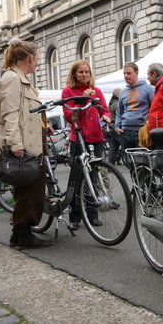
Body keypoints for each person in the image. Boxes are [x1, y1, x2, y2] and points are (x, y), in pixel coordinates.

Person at [0, 39, 52, 248]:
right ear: (29, 58)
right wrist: (15, 144)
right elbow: (9, 114)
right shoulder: (12, 79)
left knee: (30, 191)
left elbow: (27, 112)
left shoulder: (20, 79)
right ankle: (23, 235)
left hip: (32, 142)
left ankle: (19, 235)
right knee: (29, 192)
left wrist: (44, 125)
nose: (37, 63)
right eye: (36, 59)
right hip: (24, 145)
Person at [62, 60, 111, 230]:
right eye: (81, 72)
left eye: (87, 72)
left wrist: (106, 116)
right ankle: (75, 216)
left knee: (94, 176)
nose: (84, 75)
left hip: (96, 138)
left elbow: (104, 108)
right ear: (74, 74)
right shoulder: (68, 91)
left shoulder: (96, 90)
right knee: (77, 177)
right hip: (79, 138)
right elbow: (69, 115)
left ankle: (92, 214)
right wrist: (84, 100)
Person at [114, 62, 153, 155]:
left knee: (143, 163)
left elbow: (153, 109)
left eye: (129, 73)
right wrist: (117, 127)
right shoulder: (123, 92)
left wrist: (149, 127)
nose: (126, 76)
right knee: (130, 164)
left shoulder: (148, 88)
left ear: (136, 72)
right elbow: (119, 112)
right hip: (125, 132)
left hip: (141, 131)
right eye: (124, 73)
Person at [107, 88, 121, 165]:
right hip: (116, 126)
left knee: (114, 147)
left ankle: (110, 163)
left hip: (112, 126)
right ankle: (130, 162)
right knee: (123, 144)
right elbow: (120, 114)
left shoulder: (111, 103)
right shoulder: (117, 104)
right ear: (117, 94)